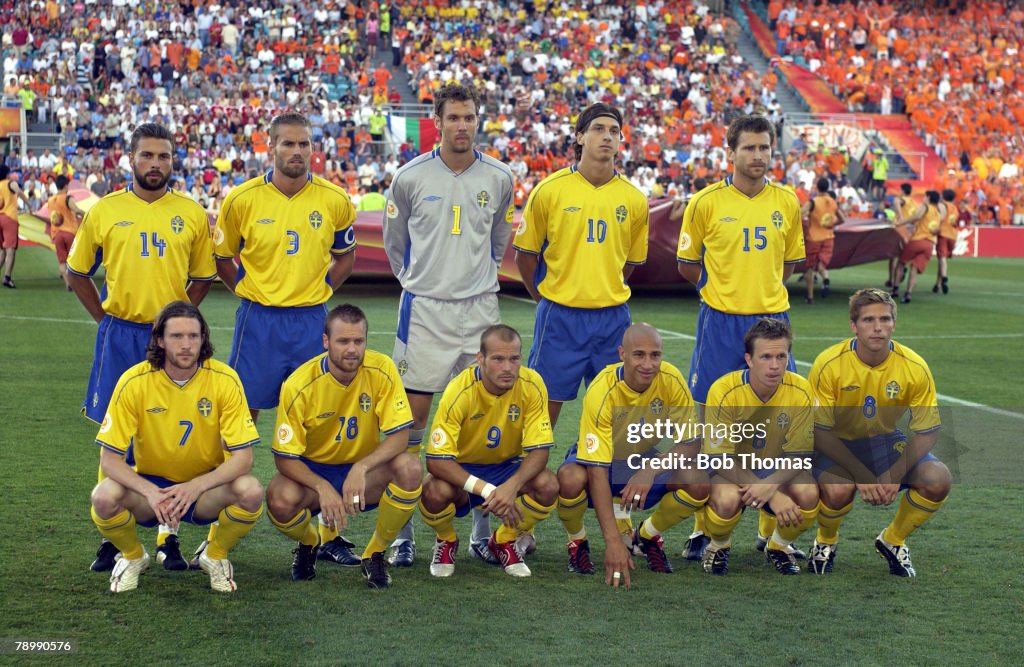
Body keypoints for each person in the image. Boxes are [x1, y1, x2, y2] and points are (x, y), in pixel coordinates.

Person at [66, 123, 217, 573]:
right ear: (130, 159)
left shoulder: (189, 213)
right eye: (148, 155)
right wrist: (105, 321)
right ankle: (114, 538)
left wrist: (178, 325)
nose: (156, 164)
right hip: (120, 332)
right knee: (117, 434)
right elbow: (77, 273)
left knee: (169, 433)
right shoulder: (106, 210)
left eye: (164, 157)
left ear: (174, 161)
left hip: (169, 340)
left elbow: (204, 276)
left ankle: (169, 537)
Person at [214, 112, 360, 565]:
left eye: (304, 144)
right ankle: (218, 524)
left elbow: (345, 256)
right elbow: (223, 258)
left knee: (318, 424)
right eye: (288, 144)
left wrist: (321, 295)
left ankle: (328, 534)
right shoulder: (241, 199)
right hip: (257, 323)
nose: (297, 152)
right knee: (239, 422)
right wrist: (247, 291)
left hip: (309, 323)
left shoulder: (335, 200)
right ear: (270, 148)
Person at [382, 83, 515, 566]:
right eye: (454, 117)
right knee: (411, 425)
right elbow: (395, 246)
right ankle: (403, 534)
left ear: (478, 121)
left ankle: (481, 527)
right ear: (436, 121)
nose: (463, 125)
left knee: (478, 422)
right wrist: (424, 281)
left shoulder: (500, 177)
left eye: (470, 117)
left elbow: (500, 240)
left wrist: (473, 278)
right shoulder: (409, 177)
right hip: (427, 312)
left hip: (480, 311)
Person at [675, 114, 804, 560]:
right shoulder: (706, 202)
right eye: (749, 148)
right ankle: (701, 527)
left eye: (764, 147)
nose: (757, 156)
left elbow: (789, 264)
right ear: (730, 152)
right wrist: (722, 290)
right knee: (710, 419)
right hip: (721, 321)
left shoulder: (786, 201)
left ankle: (770, 530)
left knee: (775, 421)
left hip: (771, 320)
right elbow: (687, 264)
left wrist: (762, 292)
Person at [89, 301, 264, 593]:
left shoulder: (225, 379)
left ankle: (215, 555)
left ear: (203, 339)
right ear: (159, 339)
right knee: (104, 496)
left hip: (203, 489)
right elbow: (109, 460)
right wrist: (150, 492)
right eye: (176, 336)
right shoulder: (134, 381)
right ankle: (133, 557)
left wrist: (195, 486)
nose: (186, 345)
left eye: (193, 336)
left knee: (251, 491)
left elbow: (243, 458)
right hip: (151, 490)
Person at [265, 305, 422, 590]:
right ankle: (310, 542)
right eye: (343, 341)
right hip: (315, 472)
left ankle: (373, 553)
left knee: (410, 468)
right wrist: (322, 487)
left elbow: (400, 436)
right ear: (326, 342)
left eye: (358, 341)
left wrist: (361, 467)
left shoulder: (382, 369)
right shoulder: (299, 384)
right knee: (279, 498)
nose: (351, 349)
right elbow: (284, 459)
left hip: (363, 473)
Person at [513, 102, 649, 429]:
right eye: (599, 129)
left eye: (614, 131)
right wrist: (546, 299)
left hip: (613, 317)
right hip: (560, 316)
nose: (607, 137)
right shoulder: (550, 190)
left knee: (618, 412)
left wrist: (602, 287)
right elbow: (525, 257)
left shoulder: (634, 199)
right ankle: (530, 477)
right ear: (580, 137)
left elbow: (629, 264)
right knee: (543, 411)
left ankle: (609, 477)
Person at [807, 288, 951, 576]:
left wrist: (893, 474)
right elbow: (819, 431)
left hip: (883, 441)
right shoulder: (828, 363)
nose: (877, 328)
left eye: (885, 319)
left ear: (894, 324)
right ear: (854, 326)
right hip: (834, 443)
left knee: (938, 478)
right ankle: (825, 542)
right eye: (868, 320)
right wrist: (861, 474)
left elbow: (927, 432)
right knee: (839, 488)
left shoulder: (914, 366)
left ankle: (893, 540)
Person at [555, 324, 709, 588]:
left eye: (655, 355)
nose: (648, 364)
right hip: (602, 459)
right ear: (622, 354)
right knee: (569, 478)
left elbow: (691, 442)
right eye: (639, 355)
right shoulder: (603, 389)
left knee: (699, 480)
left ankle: (647, 536)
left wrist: (649, 471)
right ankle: (577, 541)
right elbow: (597, 469)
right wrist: (613, 543)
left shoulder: (670, 380)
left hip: (643, 457)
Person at [420, 325, 558, 578]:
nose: (507, 367)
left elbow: (540, 450)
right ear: (480, 358)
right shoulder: (459, 389)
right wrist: (488, 490)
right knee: (433, 491)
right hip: (464, 470)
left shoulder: (532, 384)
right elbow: (436, 461)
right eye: (498, 359)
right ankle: (446, 539)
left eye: (514, 359)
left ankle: (504, 540)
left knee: (548, 484)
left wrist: (513, 485)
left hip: (507, 466)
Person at [699, 319, 818, 576]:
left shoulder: (801, 390)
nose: (774, 365)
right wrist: (772, 494)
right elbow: (718, 459)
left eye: (781, 356)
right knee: (727, 500)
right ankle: (719, 545)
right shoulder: (723, 390)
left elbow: (799, 454)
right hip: (730, 468)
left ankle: (777, 545)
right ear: (749, 359)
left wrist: (772, 482)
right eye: (765, 357)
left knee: (808, 493)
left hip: (774, 467)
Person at [801, 177, 845, 304]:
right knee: (821, 265)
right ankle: (825, 278)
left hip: (814, 238)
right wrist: (831, 224)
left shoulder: (813, 202)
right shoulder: (832, 202)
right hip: (828, 237)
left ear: (816, 187)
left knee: (809, 268)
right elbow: (842, 219)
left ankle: (810, 297)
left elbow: (799, 213)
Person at [893, 190, 941, 304]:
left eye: (925, 196)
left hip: (917, 241)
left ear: (928, 198)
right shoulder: (938, 213)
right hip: (929, 244)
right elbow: (936, 230)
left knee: (901, 263)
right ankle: (908, 293)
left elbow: (916, 217)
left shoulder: (925, 207)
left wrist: (901, 222)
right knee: (914, 269)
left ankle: (895, 288)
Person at [46, 174, 86, 291]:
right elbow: (77, 210)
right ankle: (77, 283)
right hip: (69, 233)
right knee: (74, 260)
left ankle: (68, 283)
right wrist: (88, 215)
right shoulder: (67, 198)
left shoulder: (50, 200)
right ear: (65, 186)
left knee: (62, 261)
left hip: (57, 234)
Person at [0, 165, 32, 288]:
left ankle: (6, 277)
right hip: (9, 218)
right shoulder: (10, 183)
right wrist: (29, 204)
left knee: (1, 250)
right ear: (7, 174)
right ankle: (7, 277)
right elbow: (19, 192)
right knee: (10, 249)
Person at [888, 183, 915, 291]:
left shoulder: (902, 199)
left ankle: (893, 280)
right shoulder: (914, 202)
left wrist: (900, 216)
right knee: (901, 256)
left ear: (903, 191)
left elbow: (897, 201)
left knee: (893, 256)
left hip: (899, 229)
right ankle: (896, 277)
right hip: (909, 231)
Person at [933, 189, 959, 294]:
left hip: (943, 233)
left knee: (942, 258)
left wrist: (935, 227)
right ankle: (938, 284)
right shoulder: (955, 208)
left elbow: (941, 217)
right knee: (943, 260)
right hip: (952, 234)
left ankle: (944, 277)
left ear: (943, 196)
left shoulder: (943, 205)